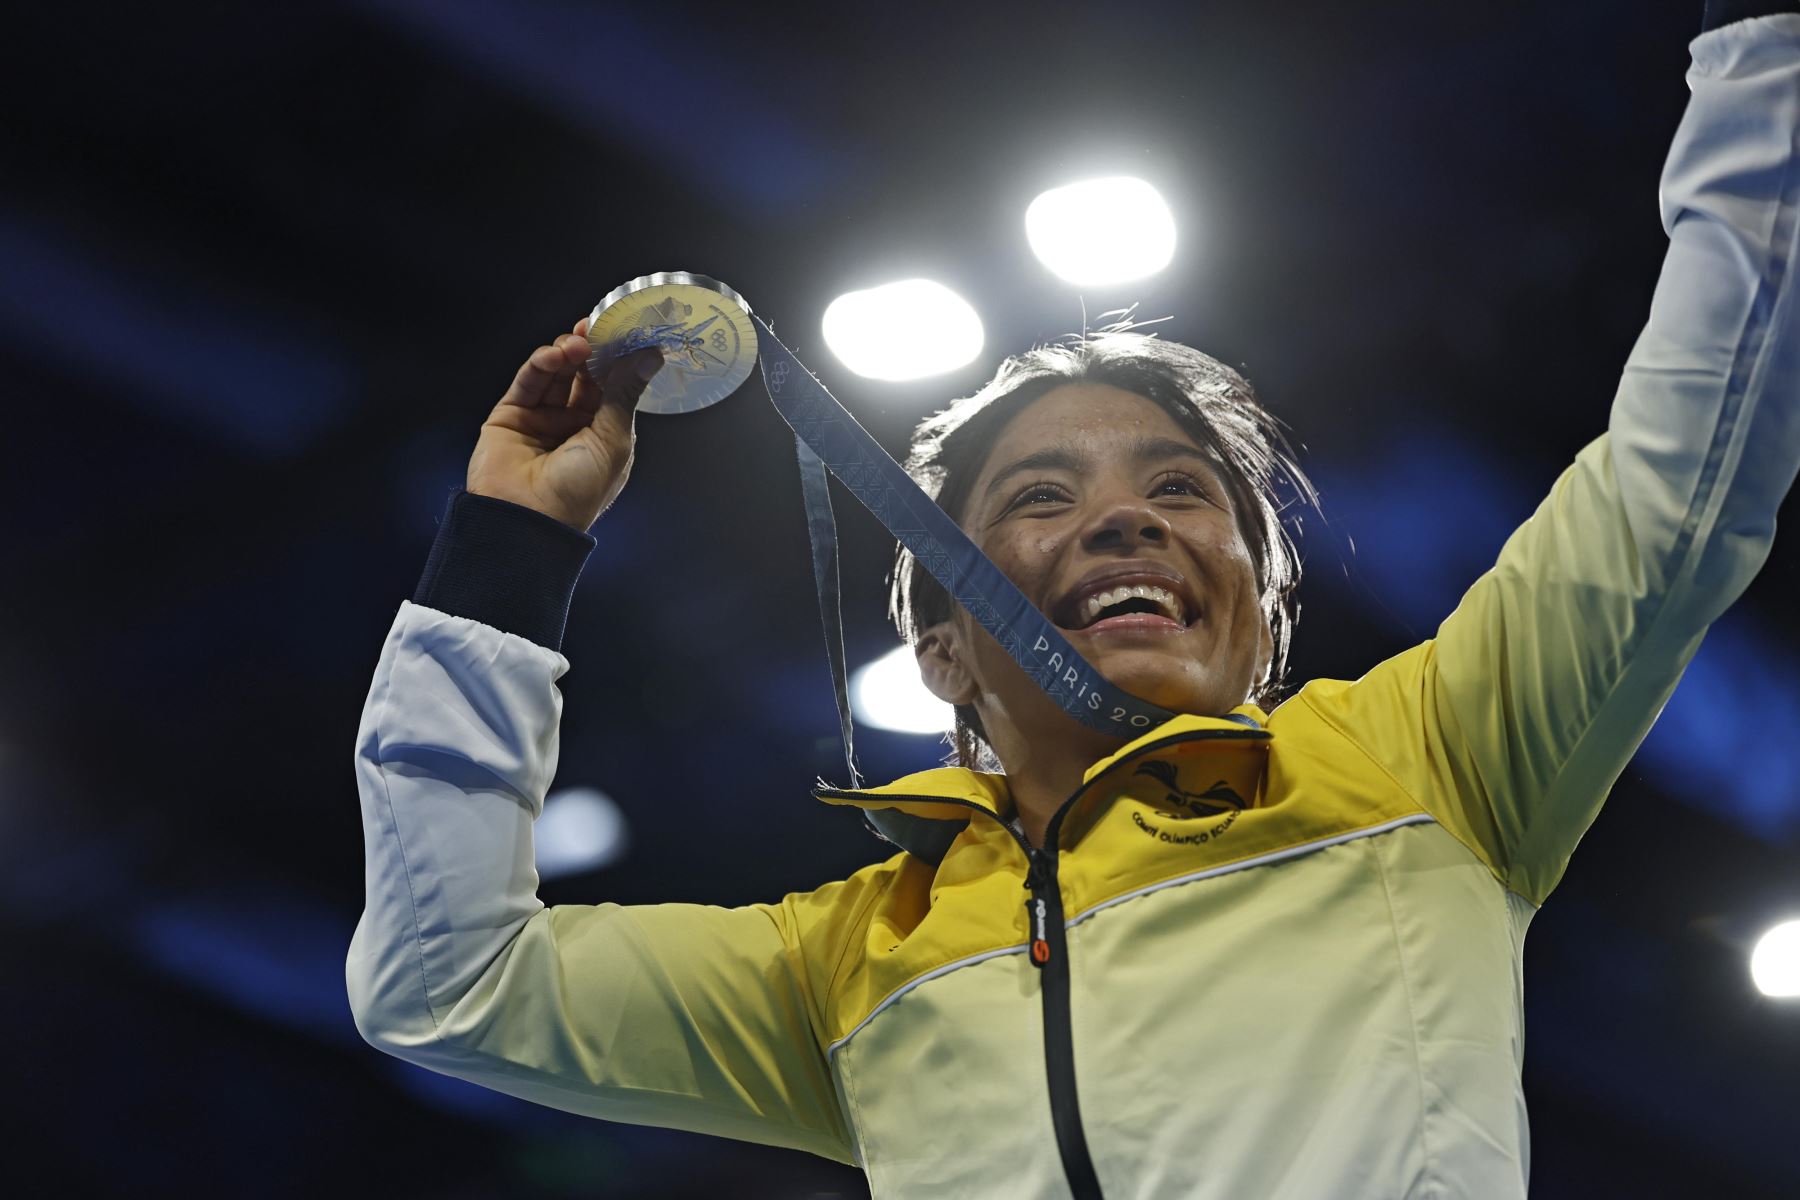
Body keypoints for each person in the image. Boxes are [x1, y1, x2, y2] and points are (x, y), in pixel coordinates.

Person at [347, 8, 1800, 1196]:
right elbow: (443, 978)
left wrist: (1766, 51)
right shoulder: (845, 959)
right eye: (1040, 499)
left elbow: (1689, 473)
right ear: (941, 650)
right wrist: (508, 555)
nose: (1124, 515)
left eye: (1183, 493)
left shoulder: (1428, 760)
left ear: (1254, 604)